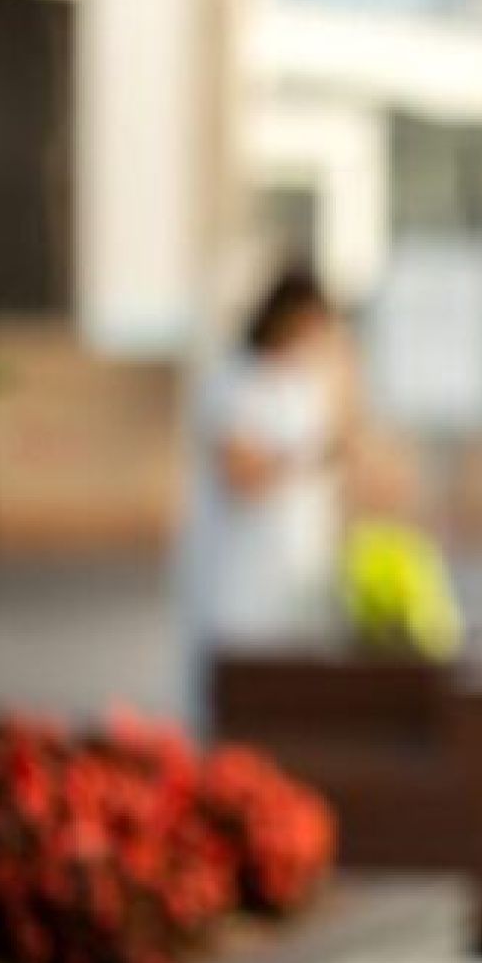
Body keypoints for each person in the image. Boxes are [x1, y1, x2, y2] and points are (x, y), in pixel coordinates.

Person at [179, 267, 350, 666]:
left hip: (299, 567)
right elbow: (241, 474)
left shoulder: (302, 383)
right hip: (240, 574)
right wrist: (302, 458)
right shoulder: (231, 380)